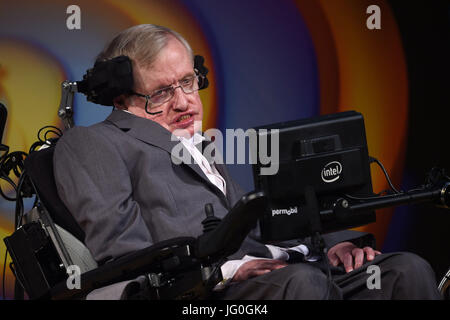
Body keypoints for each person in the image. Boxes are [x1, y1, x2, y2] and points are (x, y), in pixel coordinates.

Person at [53, 24, 441, 300]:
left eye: (188, 82)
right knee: (303, 284)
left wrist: (337, 244)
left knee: (405, 271)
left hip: (286, 272)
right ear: (122, 99)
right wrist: (227, 271)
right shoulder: (92, 143)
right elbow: (125, 256)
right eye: (162, 93)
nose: (186, 102)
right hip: (210, 293)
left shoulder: (197, 145)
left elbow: (263, 222)